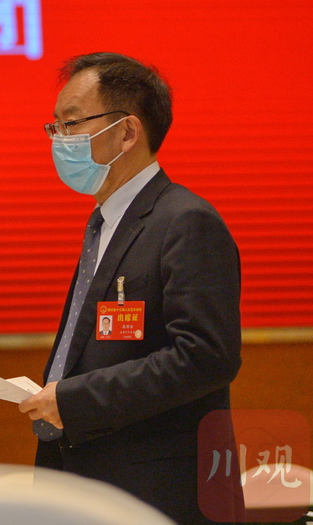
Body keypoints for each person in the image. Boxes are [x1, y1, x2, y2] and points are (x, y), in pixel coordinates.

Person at [18, 53, 243, 524]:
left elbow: (205, 357)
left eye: (71, 123)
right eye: (54, 126)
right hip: (83, 475)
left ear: (127, 133)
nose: (58, 139)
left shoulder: (185, 221)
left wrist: (73, 399)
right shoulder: (104, 224)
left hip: (156, 489)